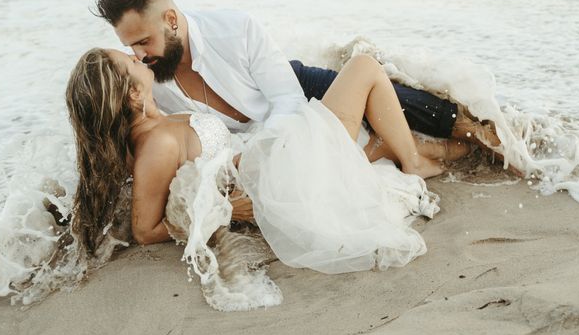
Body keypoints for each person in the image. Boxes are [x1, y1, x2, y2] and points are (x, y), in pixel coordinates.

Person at [66, 48, 469, 271]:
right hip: (286, 178)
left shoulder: (159, 120)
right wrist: (226, 210)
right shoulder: (156, 146)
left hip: (275, 164)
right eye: (129, 63)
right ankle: (409, 158)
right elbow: (144, 230)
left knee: (355, 89)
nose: (137, 58)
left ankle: (384, 152)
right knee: (363, 68)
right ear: (133, 95)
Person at [94, 0, 498, 146]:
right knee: (376, 147)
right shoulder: (147, 80)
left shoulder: (235, 28)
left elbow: (287, 101)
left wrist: (268, 156)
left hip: (289, 86)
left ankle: (480, 130)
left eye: (143, 41)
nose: (137, 55)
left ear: (170, 20)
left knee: (401, 104)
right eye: (130, 46)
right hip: (258, 132)